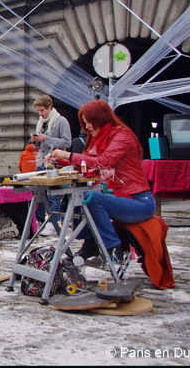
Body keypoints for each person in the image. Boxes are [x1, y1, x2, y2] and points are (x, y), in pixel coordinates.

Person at [47, 99, 155, 260]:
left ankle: (111, 246)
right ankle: (91, 242)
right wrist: (59, 161)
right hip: (121, 197)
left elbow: (104, 162)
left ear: (101, 118)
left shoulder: (122, 135)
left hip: (139, 202)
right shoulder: (101, 138)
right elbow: (88, 162)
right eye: (85, 123)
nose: (88, 127)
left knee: (92, 199)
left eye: (89, 122)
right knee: (83, 195)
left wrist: (68, 155)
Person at [30, 95, 71, 235]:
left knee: (53, 194)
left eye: (42, 110)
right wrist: (35, 140)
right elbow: (40, 145)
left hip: (55, 163)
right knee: (38, 192)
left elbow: (66, 142)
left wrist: (46, 138)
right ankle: (39, 220)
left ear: (50, 107)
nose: (40, 113)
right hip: (41, 161)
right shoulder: (41, 122)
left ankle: (54, 222)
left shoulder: (61, 121)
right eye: (38, 111)